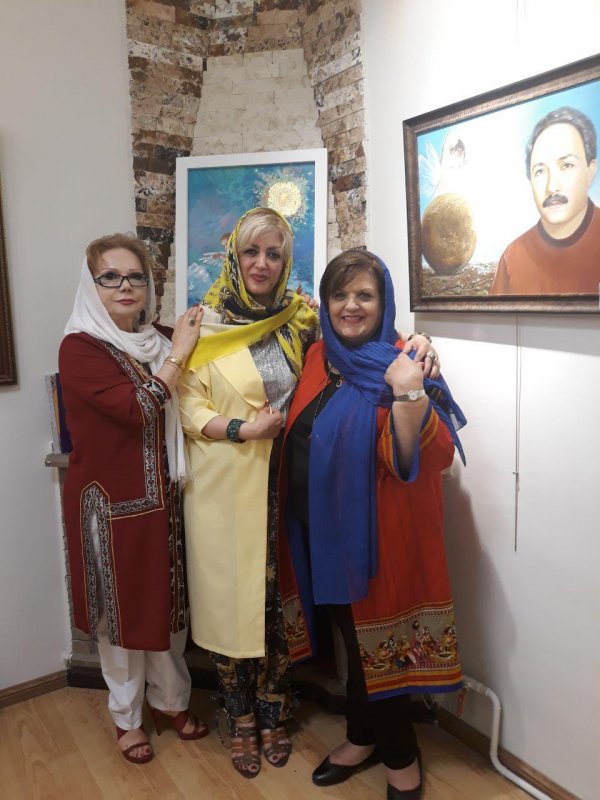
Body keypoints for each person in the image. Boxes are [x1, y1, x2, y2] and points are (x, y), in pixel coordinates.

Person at [178, 208, 441, 779]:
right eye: (250, 252)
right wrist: (241, 428)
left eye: (273, 253)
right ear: (233, 255)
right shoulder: (238, 331)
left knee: (359, 634)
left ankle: (392, 754)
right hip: (267, 507)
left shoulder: (327, 337)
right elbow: (189, 405)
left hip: (350, 524)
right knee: (317, 628)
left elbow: (425, 445)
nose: (261, 263)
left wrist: (416, 360)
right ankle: (298, 726)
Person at [278, 249, 466, 800]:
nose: (351, 306)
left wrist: (409, 392)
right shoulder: (319, 356)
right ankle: (361, 737)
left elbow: (430, 456)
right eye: (339, 294)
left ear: (384, 302)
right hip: (319, 534)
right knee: (351, 645)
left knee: (377, 651)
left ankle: (400, 757)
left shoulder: (405, 363)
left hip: (377, 541)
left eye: (365, 294)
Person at [59, 233, 208, 764]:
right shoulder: (80, 348)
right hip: (110, 509)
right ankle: (127, 718)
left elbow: (223, 342)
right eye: (110, 277)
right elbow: (138, 408)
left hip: (164, 501)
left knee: (168, 612)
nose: (125, 286)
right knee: (121, 623)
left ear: (148, 286)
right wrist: (180, 354)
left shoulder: (159, 339)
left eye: (135, 277)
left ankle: (171, 703)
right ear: (91, 284)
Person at [490, 106, 600, 294]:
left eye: (566, 165)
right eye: (540, 171)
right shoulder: (513, 258)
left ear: (590, 172)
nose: (552, 187)